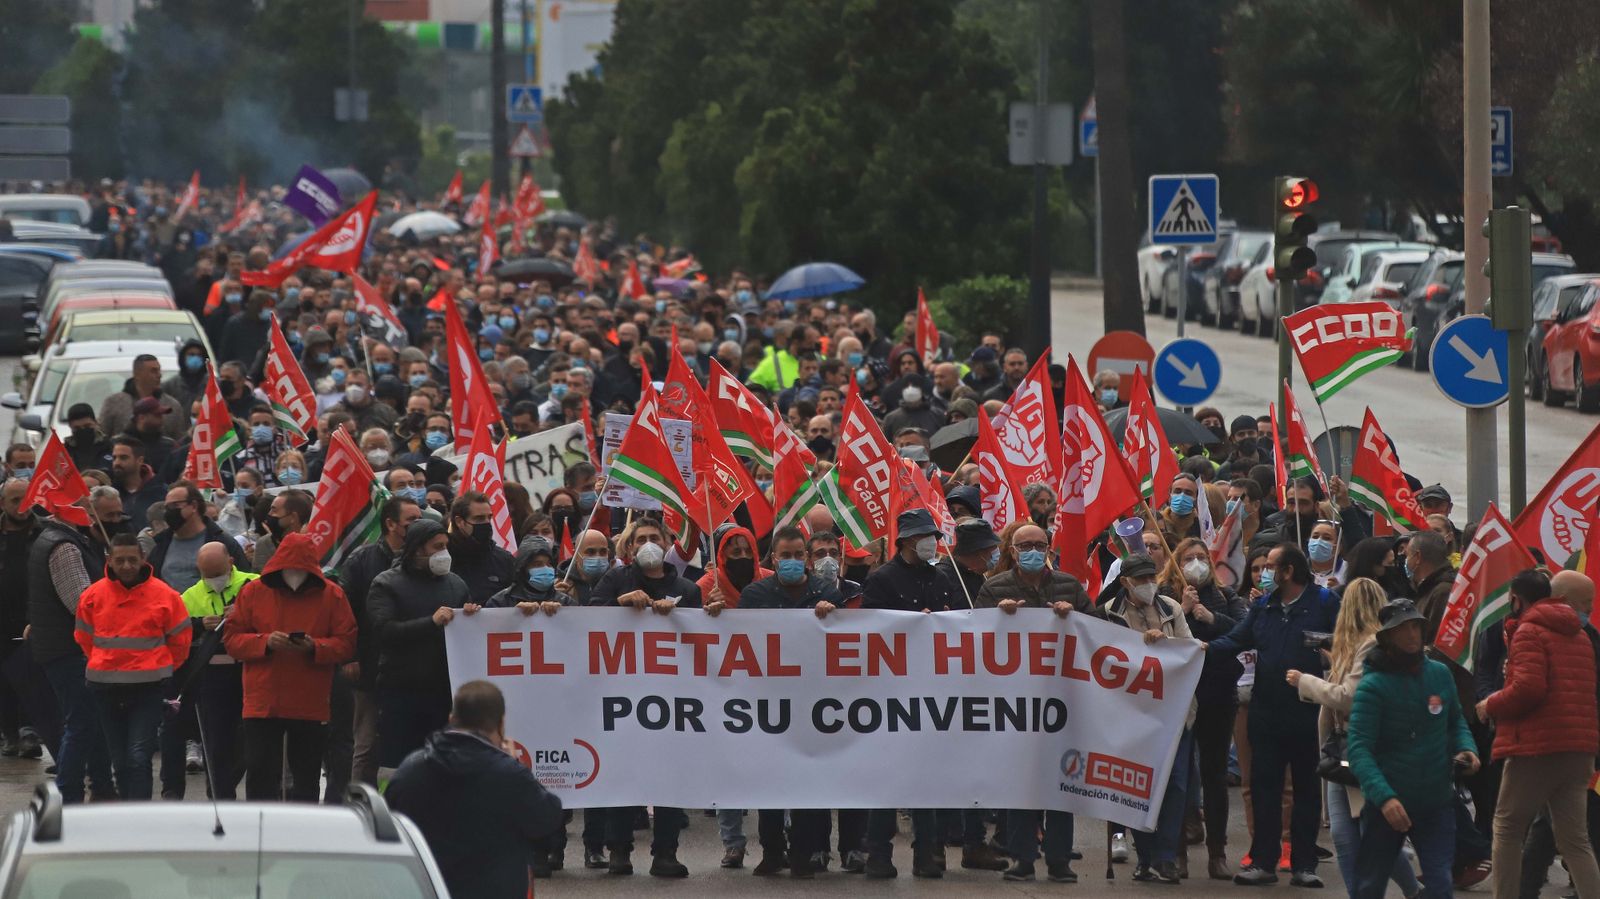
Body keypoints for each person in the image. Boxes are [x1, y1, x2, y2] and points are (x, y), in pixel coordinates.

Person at [1206, 543, 1340, 887]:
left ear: (1288, 571)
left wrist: (1330, 657)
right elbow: (1237, 640)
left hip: (1307, 713)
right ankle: (1263, 862)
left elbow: (1344, 645)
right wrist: (1201, 650)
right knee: (1265, 788)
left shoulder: (1323, 603)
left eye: (1270, 566)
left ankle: (1304, 864)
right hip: (1266, 713)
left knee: (1307, 792)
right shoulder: (1263, 607)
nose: (1264, 573)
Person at [712, 526, 839, 878]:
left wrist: (834, 615)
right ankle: (771, 851)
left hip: (814, 703)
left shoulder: (825, 592)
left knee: (808, 783)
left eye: (800, 556)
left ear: (808, 559)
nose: (794, 562)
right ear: (773, 559)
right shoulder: (756, 594)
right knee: (769, 780)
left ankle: (804, 852)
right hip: (767, 703)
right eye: (786, 556)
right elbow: (737, 641)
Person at [1288, 578, 1423, 898]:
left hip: (1365, 749)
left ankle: (1413, 891)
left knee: (1368, 837)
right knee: (1346, 837)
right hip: (1345, 748)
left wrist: (1304, 681)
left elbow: (1349, 697)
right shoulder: (1357, 646)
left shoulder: (1372, 645)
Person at [1477, 569, 1600, 899]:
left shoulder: (1529, 631)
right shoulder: (1582, 637)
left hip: (1535, 746)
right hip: (1579, 749)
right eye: (1587, 602)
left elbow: (1528, 690)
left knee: (1507, 828)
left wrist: (1491, 704)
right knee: (1575, 840)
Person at [1346, 598, 1481, 899]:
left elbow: (1455, 720)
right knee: (1369, 886)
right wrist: (1385, 798)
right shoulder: (1373, 686)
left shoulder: (1439, 674)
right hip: (1388, 805)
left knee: (1440, 885)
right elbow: (1358, 749)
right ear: (1388, 637)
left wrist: (1466, 747)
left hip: (1436, 802)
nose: (1411, 635)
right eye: (1402, 629)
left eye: (1415, 627)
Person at [386, 680, 566, 899]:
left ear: (452, 719)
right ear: (501, 724)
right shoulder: (509, 774)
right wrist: (516, 766)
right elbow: (547, 818)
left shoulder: (411, 770)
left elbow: (389, 830)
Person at [589, 516, 698, 877]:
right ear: (629, 547)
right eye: (641, 539)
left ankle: (665, 853)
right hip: (622, 695)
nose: (648, 544)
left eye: (655, 537)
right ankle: (619, 851)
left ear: (667, 541)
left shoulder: (686, 586)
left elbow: (702, 638)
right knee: (624, 774)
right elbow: (586, 622)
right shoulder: (615, 580)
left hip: (672, 697)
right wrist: (619, 603)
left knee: (670, 774)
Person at [223, 531, 358, 802]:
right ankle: (264, 829)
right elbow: (232, 640)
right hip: (265, 700)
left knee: (306, 776)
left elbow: (346, 643)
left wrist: (314, 647)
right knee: (262, 772)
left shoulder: (332, 595)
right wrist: (265, 642)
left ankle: (300, 832)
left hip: (308, 700)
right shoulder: (254, 592)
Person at [859, 509, 956, 879]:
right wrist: (911, 623)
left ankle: (926, 853)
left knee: (926, 777)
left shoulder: (941, 576)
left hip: (931, 690)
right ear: (905, 541)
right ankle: (879, 854)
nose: (931, 541)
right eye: (923, 535)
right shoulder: (882, 579)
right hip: (890, 690)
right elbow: (872, 626)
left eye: (932, 534)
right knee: (887, 776)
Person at [1096, 553, 1195, 883]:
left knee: (1176, 786)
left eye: (1151, 577)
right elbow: (1107, 661)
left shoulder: (1170, 609)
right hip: (1131, 716)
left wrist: (1164, 644)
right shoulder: (1110, 615)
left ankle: (1165, 857)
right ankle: (1146, 856)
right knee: (1139, 786)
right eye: (1140, 580)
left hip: (1175, 712)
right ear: (1125, 582)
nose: (1148, 585)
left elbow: (1188, 648)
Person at [74, 533, 192, 801]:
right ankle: (128, 814)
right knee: (120, 761)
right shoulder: (93, 596)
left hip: (147, 689)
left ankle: (139, 816)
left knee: (138, 757)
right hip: (104, 688)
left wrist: (159, 667)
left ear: (142, 559)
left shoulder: (165, 596)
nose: (126, 566)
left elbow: (181, 641)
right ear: (110, 561)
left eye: (132, 560)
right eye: (120, 560)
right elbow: (83, 637)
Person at [29, 487, 122, 803]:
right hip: (69, 650)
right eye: (86, 506)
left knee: (91, 721)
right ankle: (69, 793)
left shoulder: (58, 539)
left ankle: (102, 786)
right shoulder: (64, 546)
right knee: (82, 723)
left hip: (63, 647)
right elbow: (81, 603)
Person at [1163, 537, 1248, 880]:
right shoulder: (1165, 597)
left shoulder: (1227, 597)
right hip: (1179, 699)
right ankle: (1178, 851)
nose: (1196, 562)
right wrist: (1181, 611)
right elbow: (1155, 637)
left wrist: (1211, 617)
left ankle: (1217, 853)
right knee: (1179, 778)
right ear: (1177, 563)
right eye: (1188, 558)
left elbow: (1244, 633)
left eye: (1201, 557)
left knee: (1213, 777)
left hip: (1217, 696)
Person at [368, 520, 471, 774]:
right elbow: (384, 631)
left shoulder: (456, 584)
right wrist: (431, 623)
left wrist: (472, 616)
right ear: (416, 550)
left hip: (444, 695)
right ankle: (392, 811)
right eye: (437, 547)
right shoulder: (386, 584)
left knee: (442, 764)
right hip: (401, 692)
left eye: (446, 546)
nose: (444, 553)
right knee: (397, 765)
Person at [339, 495, 422, 787]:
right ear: (390, 524)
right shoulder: (362, 561)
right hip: (369, 666)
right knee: (366, 742)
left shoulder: (423, 560)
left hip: (410, 670)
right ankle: (359, 803)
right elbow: (345, 612)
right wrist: (349, 656)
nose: (418, 524)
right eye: (411, 519)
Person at [175, 542, 256, 801]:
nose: (214, 580)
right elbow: (176, 634)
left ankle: (228, 783)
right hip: (211, 678)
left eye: (218, 573)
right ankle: (221, 797)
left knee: (247, 743)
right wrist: (198, 625)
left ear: (231, 561)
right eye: (207, 575)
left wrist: (246, 614)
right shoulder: (189, 596)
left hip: (249, 673)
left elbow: (274, 617)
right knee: (216, 742)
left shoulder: (254, 585)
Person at [446, 491, 516, 602]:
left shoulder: (504, 559)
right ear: (460, 522)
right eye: (479, 519)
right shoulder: (445, 557)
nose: (487, 523)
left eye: (489, 517)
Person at [1402, 531, 1454, 642]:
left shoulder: (1443, 593)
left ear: (1418, 557)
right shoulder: (1427, 588)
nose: (1405, 561)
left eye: (1407, 555)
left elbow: (1436, 643)